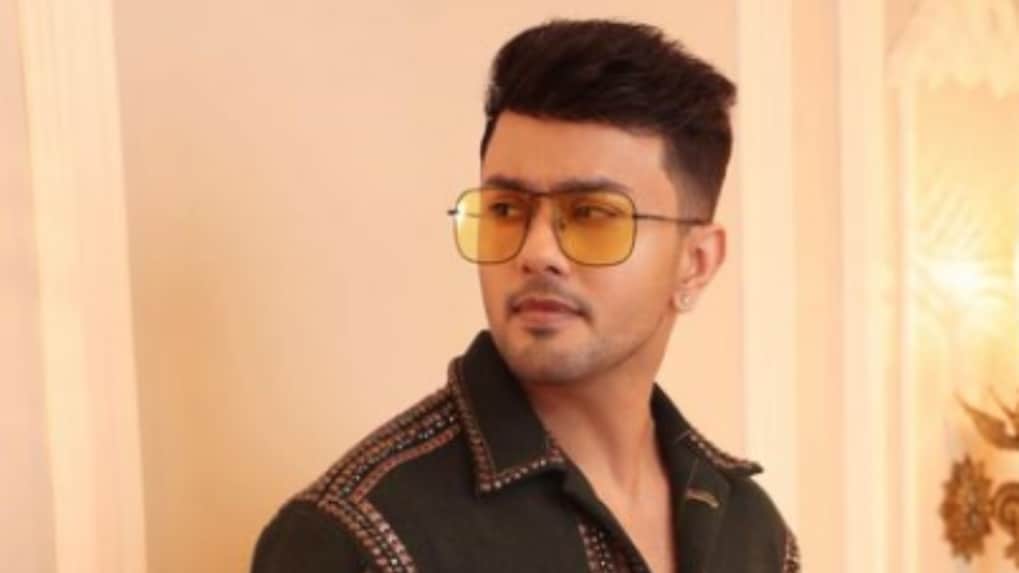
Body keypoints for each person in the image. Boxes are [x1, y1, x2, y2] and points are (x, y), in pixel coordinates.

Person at [252, 18, 799, 573]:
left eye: (592, 214)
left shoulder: (751, 531)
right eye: (506, 210)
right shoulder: (356, 536)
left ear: (696, 263)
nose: (536, 252)